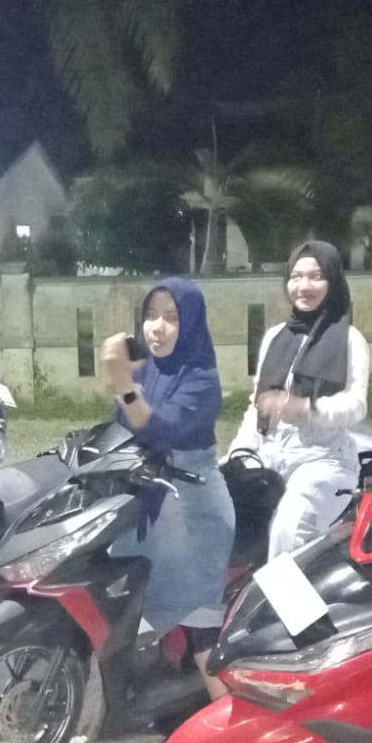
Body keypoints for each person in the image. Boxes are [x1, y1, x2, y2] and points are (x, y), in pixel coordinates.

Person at [99, 278, 236, 699]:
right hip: (152, 488)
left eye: (172, 317)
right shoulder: (149, 367)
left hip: (193, 507)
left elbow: (161, 426)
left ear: (190, 323)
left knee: (200, 623)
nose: (157, 327)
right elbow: (122, 423)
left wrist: (124, 384)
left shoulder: (202, 379)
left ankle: (234, 721)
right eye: (151, 315)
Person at [228, 241, 370, 556]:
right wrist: (239, 452)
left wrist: (306, 408)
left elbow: (356, 405)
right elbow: (258, 403)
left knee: (288, 528)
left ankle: (285, 591)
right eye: (296, 276)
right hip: (271, 454)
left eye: (316, 276)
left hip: (323, 460)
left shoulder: (349, 339)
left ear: (333, 281)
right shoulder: (275, 336)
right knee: (222, 507)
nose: (303, 286)